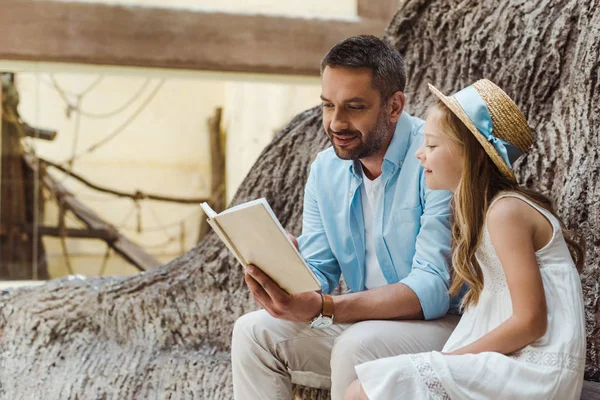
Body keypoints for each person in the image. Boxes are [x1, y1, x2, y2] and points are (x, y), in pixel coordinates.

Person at [231, 35, 462, 400]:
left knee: (358, 343)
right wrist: (285, 268)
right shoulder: (325, 169)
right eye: (327, 106)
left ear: (394, 106)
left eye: (354, 107)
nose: (336, 123)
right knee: (253, 331)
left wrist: (327, 308)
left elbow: (433, 289)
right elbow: (319, 273)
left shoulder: (434, 155)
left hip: (444, 327)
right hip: (362, 323)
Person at [345, 79, 587, 400]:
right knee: (370, 385)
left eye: (431, 145)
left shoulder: (506, 212)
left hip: (535, 369)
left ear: (468, 153)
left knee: (366, 389)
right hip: (514, 359)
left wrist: (446, 361)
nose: (420, 154)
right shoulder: (486, 213)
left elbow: (530, 323)